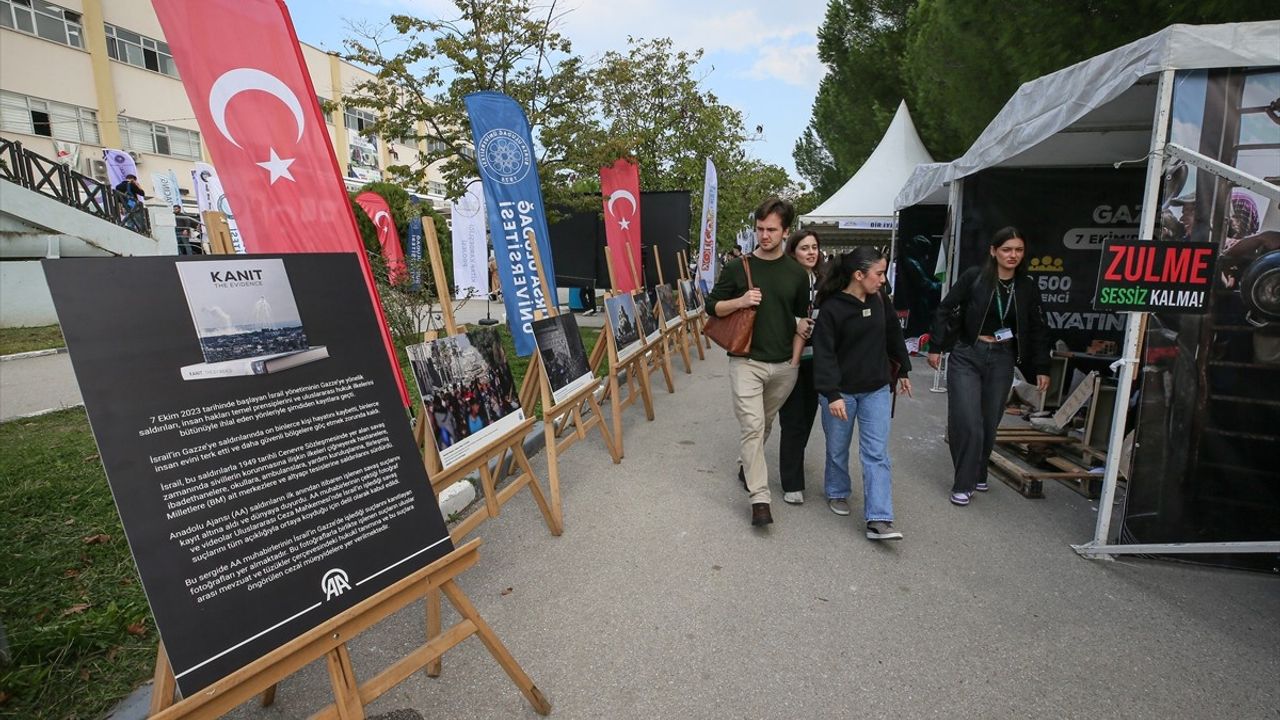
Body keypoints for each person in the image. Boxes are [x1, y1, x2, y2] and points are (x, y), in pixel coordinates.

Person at [705, 196, 811, 528]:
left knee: (764, 424)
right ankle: (760, 499)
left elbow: (799, 320)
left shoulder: (797, 274)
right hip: (746, 361)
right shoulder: (739, 267)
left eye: (771, 230)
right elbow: (711, 307)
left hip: (783, 367)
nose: (764, 235)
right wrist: (740, 300)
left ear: (785, 231)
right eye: (759, 228)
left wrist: (794, 360)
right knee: (752, 427)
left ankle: (746, 465)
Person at [927, 226, 1050, 507]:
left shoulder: (1027, 286)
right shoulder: (975, 277)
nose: (1012, 255)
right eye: (1006, 249)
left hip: (1003, 357)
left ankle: (979, 470)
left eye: (1018, 250)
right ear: (993, 251)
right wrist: (936, 347)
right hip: (968, 353)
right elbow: (944, 308)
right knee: (967, 420)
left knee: (989, 421)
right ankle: (963, 483)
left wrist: (1042, 366)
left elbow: (1039, 328)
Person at [812, 248, 913, 540]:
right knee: (837, 447)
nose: (883, 280)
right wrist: (831, 394)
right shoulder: (832, 308)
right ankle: (837, 491)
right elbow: (825, 354)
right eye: (879, 274)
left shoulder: (881, 300)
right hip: (841, 393)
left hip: (877, 389)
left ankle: (879, 518)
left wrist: (903, 371)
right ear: (859, 275)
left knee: (876, 453)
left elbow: (893, 334)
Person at [776, 229, 822, 505]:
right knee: (791, 421)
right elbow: (776, 314)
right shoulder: (786, 279)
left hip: (816, 361)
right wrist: (796, 323)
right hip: (787, 358)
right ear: (793, 252)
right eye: (805, 248)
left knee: (807, 417)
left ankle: (787, 462)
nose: (811, 252)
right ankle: (792, 482)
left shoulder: (824, 280)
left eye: (814, 247)